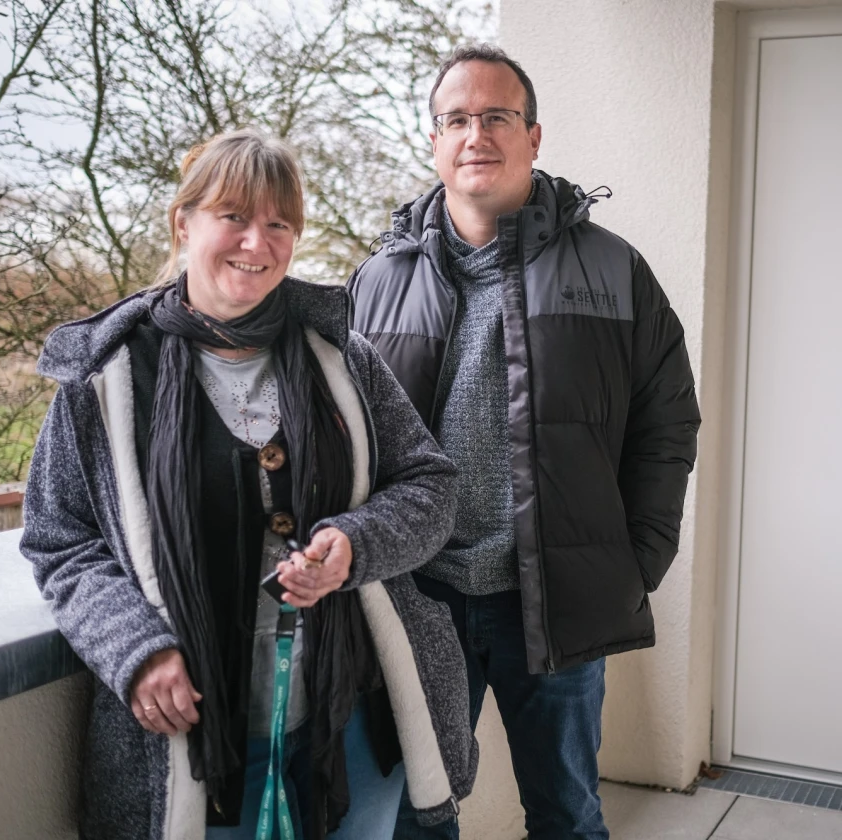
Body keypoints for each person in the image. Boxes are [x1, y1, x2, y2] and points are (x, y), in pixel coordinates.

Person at [20, 128, 476, 840]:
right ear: (184, 221)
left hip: (351, 717)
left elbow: (430, 485)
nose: (256, 244)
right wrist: (134, 649)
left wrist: (354, 545)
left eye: (279, 224)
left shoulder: (342, 356)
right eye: (234, 216)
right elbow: (60, 538)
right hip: (199, 737)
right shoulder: (105, 379)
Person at [348, 44, 700, 840]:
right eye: (457, 119)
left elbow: (668, 421)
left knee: (568, 814)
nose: (477, 134)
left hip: (555, 600)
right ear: (435, 141)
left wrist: (635, 559)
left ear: (533, 136)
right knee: (412, 813)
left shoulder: (613, 269)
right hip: (418, 597)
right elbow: (342, 435)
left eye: (497, 116)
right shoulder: (377, 279)